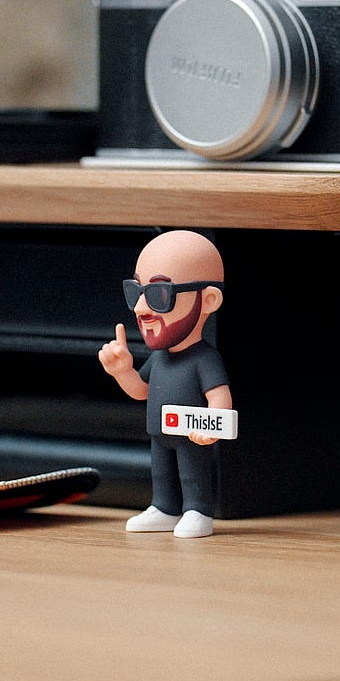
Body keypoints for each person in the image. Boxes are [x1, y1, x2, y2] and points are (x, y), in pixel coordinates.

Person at [98, 230, 230, 538]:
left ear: (208, 299)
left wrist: (212, 426)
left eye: (158, 294)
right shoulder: (159, 358)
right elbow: (141, 390)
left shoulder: (204, 359)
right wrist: (123, 372)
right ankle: (165, 508)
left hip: (190, 434)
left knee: (192, 474)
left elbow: (219, 397)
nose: (140, 309)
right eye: (136, 292)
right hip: (160, 433)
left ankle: (197, 510)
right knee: (162, 476)